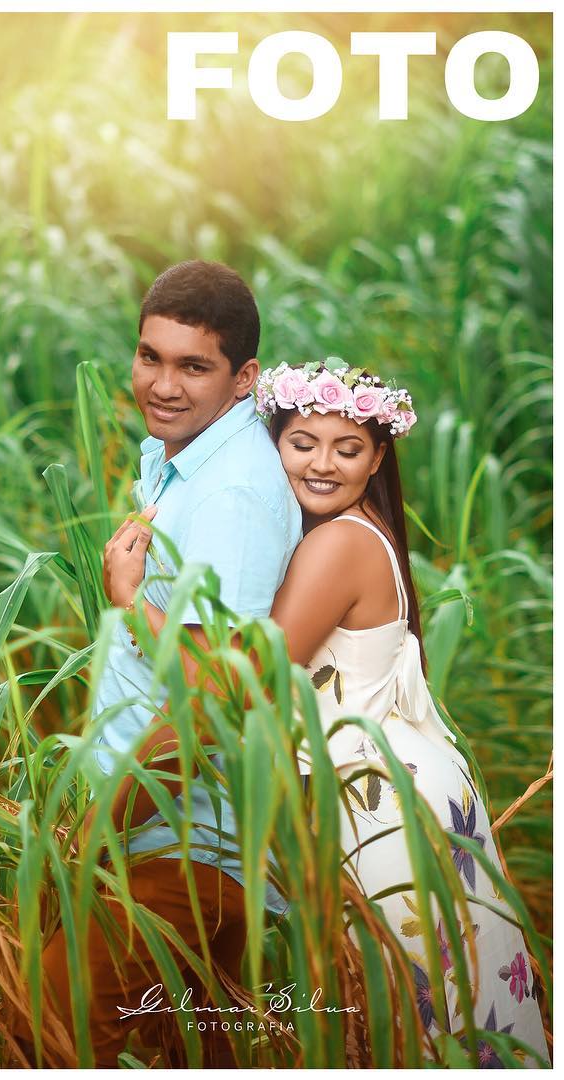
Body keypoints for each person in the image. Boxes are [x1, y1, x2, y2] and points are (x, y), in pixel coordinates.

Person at [109, 359, 550, 1067]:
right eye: (301, 443)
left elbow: (243, 681)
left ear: (377, 458)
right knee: (436, 1010)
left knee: (411, 1011)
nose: (320, 464)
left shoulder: (339, 543)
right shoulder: (354, 532)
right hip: (391, 787)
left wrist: (132, 601)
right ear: (273, 441)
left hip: (378, 806)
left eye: (347, 450)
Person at [20, 261, 301, 1067]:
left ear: (244, 377)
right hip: (165, 834)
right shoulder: (185, 457)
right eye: (151, 357)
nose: (163, 384)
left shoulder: (232, 497)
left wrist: (101, 831)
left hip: (189, 844)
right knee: (188, 1051)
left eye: (193, 366)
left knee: (59, 1022)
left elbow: (215, 701)